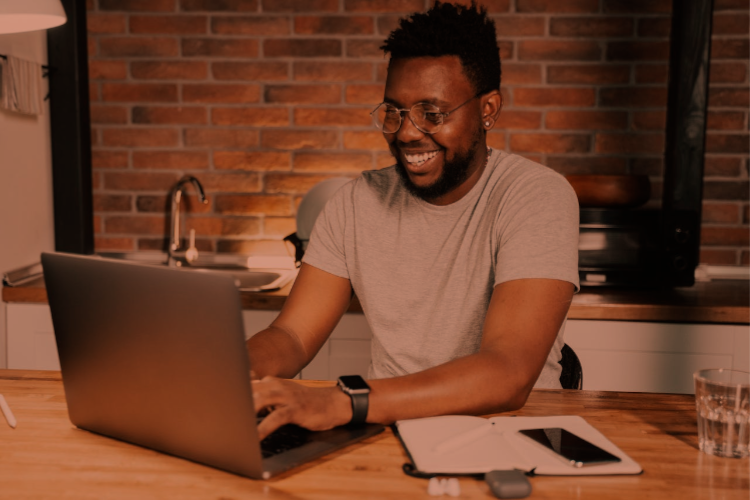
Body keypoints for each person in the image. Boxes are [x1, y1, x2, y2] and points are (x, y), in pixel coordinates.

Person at [247, 1, 579, 440]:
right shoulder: (354, 204)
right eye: (395, 111)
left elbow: (508, 373)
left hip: (510, 434)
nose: (406, 132)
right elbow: (291, 335)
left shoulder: (535, 196)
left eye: (432, 114)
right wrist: (225, 370)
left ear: (488, 109)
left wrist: (344, 402)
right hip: (385, 429)